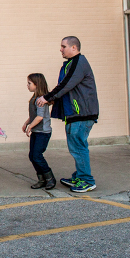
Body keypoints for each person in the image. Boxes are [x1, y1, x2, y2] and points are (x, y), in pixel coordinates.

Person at [36, 36, 99, 193]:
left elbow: (65, 85)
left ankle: (87, 180)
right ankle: (79, 176)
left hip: (81, 115)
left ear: (74, 48)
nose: (61, 49)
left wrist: (46, 98)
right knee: (76, 146)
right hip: (75, 115)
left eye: (63, 46)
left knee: (78, 147)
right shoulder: (72, 63)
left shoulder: (79, 63)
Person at [23, 73, 55, 190]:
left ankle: (50, 178)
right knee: (32, 155)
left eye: (29, 83)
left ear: (37, 84)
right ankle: (41, 179)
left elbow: (40, 117)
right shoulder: (34, 98)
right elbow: (34, 115)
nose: (27, 85)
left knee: (37, 155)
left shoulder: (41, 99)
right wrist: (27, 123)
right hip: (37, 131)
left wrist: (30, 126)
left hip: (43, 132)